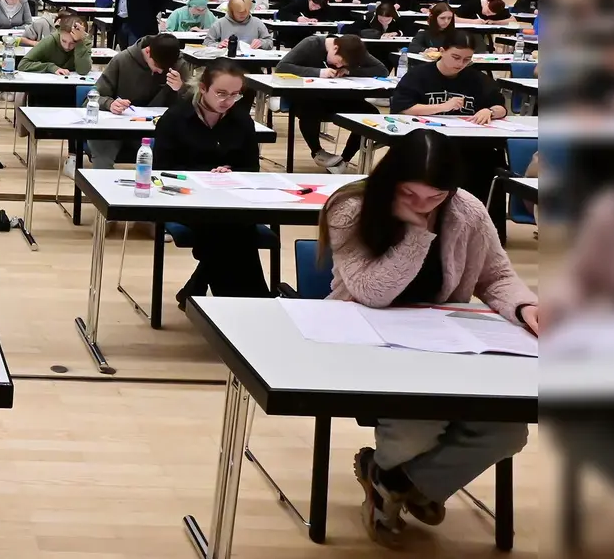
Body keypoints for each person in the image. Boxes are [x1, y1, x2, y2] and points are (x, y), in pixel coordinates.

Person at [317, 128, 534, 546]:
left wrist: (526, 307)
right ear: (389, 178)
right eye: (410, 194)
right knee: (420, 425)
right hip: (365, 337)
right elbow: (371, 293)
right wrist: (416, 232)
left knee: (508, 431)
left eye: (435, 198)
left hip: (443, 341)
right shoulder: (351, 207)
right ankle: (393, 498)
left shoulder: (466, 210)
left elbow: (497, 276)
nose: (423, 205)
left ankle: (393, 480)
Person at [153, 59, 271, 304]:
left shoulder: (241, 121)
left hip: (230, 199)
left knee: (236, 225)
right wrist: (205, 173)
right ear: (203, 88)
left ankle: (216, 297)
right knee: (232, 230)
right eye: (221, 93)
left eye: (235, 95)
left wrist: (231, 172)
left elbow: (251, 167)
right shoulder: (175, 118)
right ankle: (252, 302)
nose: (227, 101)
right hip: (185, 199)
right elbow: (161, 171)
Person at [275, 33, 389, 170]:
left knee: (370, 113)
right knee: (310, 107)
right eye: (339, 61)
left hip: (339, 97)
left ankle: (344, 160)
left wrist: (349, 71)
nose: (338, 65)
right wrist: (319, 72)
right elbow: (282, 67)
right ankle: (317, 152)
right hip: (309, 98)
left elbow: (382, 70)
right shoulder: (311, 43)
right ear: (335, 48)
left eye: (342, 64)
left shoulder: (354, 49)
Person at [85, 33, 186, 168]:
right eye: (156, 64)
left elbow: (196, 102)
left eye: (166, 67)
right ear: (148, 51)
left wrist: (182, 88)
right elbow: (92, 97)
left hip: (159, 128)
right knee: (101, 142)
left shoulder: (179, 64)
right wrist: (110, 104)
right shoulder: (122, 60)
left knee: (182, 144)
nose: (160, 71)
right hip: (119, 126)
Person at [205, 0, 272, 48]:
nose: (242, 15)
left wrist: (262, 43)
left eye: (245, 12)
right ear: (231, 10)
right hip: (226, 62)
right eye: (239, 12)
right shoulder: (220, 23)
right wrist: (218, 45)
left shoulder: (257, 23)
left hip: (251, 61)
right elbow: (207, 42)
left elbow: (269, 42)